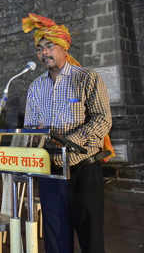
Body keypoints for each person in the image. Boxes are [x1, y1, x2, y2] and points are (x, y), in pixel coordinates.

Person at [22, 13, 112, 253]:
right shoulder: (35, 87)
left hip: (84, 170)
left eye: (49, 46)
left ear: (64, 46)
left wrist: (70, 143)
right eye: (40, 48)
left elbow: (103, 120)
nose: (44, 53)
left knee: (91, 241)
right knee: (56, 241)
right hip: (50, 174)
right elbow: (31, 127)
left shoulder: (87, 78)